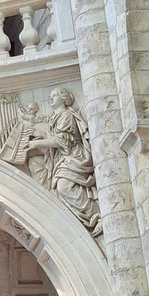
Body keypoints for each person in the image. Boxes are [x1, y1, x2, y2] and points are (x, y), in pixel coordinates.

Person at [25, 87, 102, 235]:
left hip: (74, 156)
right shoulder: (53, 117)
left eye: (55, 95)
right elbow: (53, 140)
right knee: (35, 162)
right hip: (62, 157)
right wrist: (37, 135)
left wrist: (37, 143)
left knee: (64, 187)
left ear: (64, 98)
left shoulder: (66, 115)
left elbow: (62, 141)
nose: (51, 98)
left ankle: (95, 216)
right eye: (51, 96)